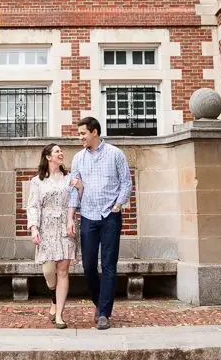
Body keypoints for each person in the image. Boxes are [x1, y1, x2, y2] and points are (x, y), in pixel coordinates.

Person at [67, 117, 131, 330]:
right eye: (79, 134)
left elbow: (126, 183)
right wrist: (72, 216)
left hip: (110, 217)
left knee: (109, 265)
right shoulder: (78, 158)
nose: (80, 138)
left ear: (94, 132)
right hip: (87, 217)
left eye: (82, 133)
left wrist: (118, 205)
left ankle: (104, 313)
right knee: (88, 266)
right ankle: (99, 302)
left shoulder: (115, 154)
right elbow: (75, 189)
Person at [25, 144, 81, 329]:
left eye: (61, 151)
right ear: (48, 157)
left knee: (63, 270)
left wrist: (80, 187)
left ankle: (59, 315)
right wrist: (34, 228)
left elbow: (78, 198)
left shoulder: (69, 178)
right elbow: (33, 206)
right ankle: (53, 298)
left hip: (66, 227)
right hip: (46, 228)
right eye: (57, 151)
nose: (61, 153)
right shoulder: (37, 181)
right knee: (49, 271)